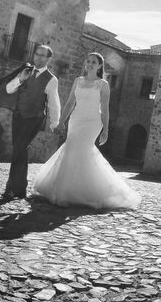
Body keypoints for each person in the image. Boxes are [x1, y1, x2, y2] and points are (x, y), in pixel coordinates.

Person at [31, 52, 141, 210]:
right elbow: (69, 103)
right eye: (88, 61)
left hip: (93, 122)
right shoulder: (77, 81)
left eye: (93, 62)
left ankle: (85, 192)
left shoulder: (103, 84)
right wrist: (61, 121)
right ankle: (66, 190)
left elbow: (104, 109)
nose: (90, 64)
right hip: (76, 119)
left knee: (82, 149)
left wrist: (105, 130)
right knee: (70, 150)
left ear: (99, 66)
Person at [1, 44, 61, 201]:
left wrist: (54, 123)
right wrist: (21, 79)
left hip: (35, 118)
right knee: (20, 149)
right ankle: (21, 189)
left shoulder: (51, 79)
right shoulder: (25, 71)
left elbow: (54, 103)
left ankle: (11, 188)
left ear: (49, 59)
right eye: (37, 54)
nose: (38, 57)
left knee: (19, 148)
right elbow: (8, 89)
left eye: (43, 55)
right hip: (18, 115)